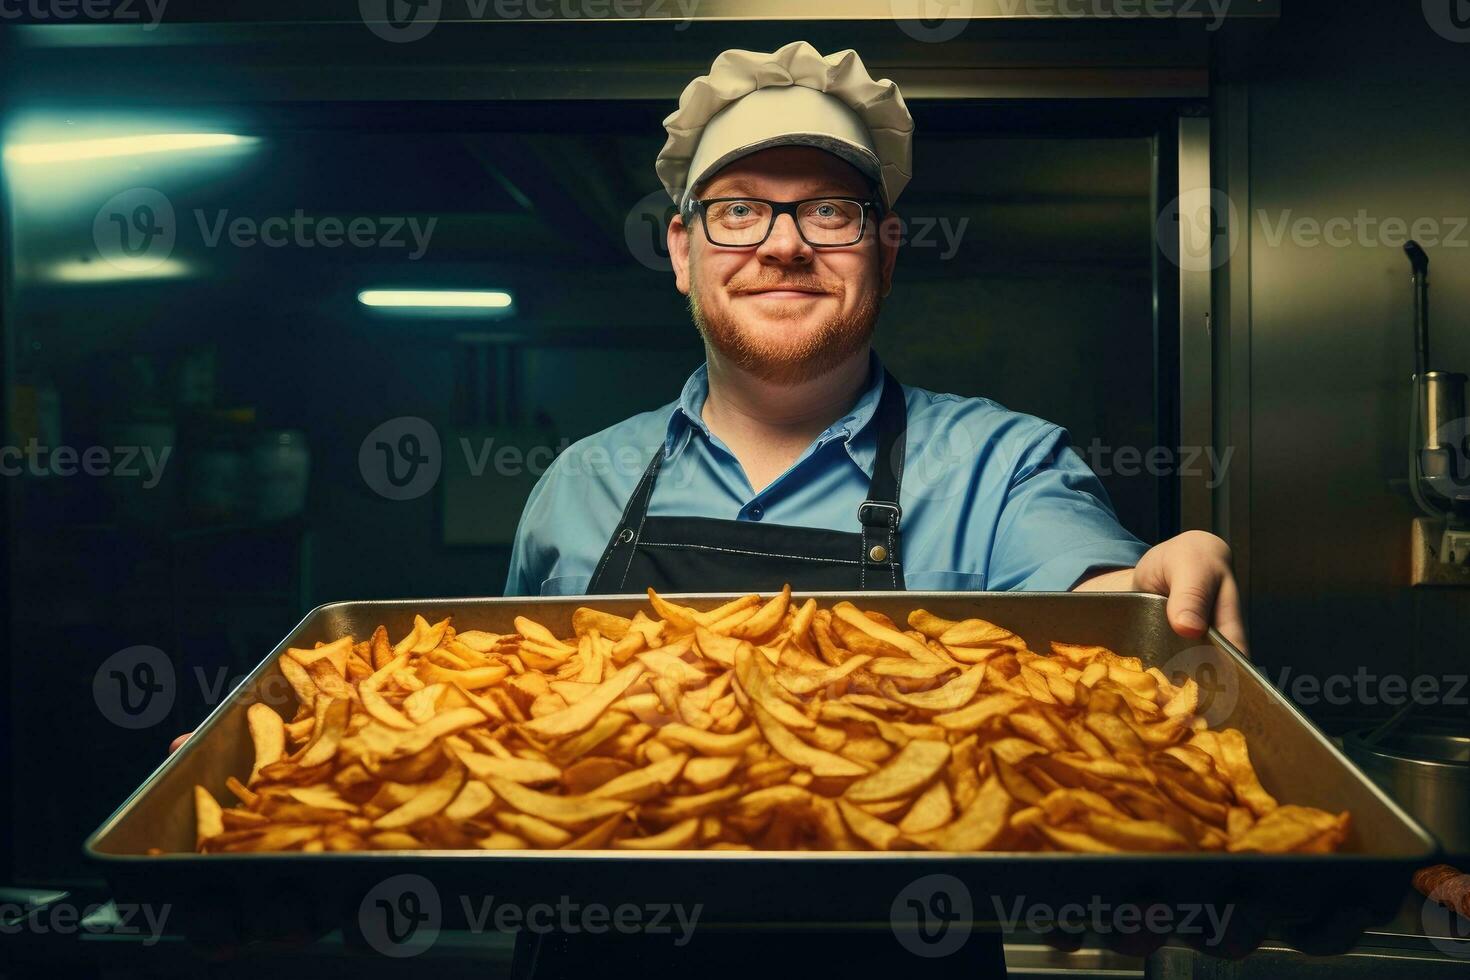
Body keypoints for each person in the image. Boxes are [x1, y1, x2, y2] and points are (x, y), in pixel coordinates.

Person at [503, 41, 1245, 653]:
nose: (784, 244)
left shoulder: (1004, 470)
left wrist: (1150, 594)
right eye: (738, 210)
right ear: (682, 253)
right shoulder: (577, 485)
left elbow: (1095, 611)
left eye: (829, 211)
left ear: (885, 256)